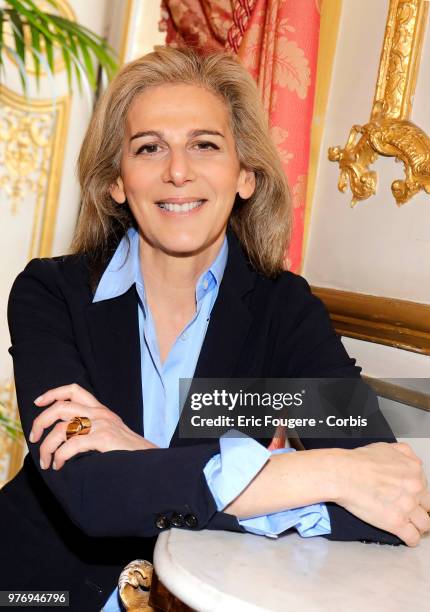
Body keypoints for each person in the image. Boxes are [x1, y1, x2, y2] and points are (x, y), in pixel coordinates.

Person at [1, 46, 429, 611]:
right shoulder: (50, 293)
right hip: (38, 592)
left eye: (205, 144)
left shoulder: (284, 311)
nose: (178, 171)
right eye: (149, 148)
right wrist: (323, 470)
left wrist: (138, 453)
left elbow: (386, 500)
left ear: (245, 174)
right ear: (117, 182)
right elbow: (90, 491)